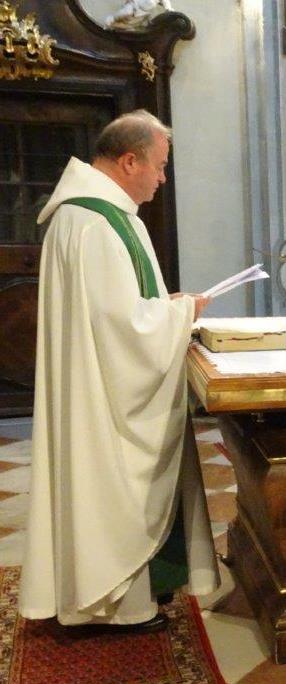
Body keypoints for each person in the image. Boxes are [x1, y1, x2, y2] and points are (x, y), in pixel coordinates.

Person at [20, 110, 220, 631]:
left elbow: (117, 311)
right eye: (160, 165)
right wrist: (182, 311)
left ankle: (141, 586)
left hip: (94, 384)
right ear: (130, 161)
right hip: (102, 398)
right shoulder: (95, 222)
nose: (163, 178)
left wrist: (165, 307)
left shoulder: (101, 215)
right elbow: (122, 330)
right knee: (111, 485)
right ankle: (117, 604)